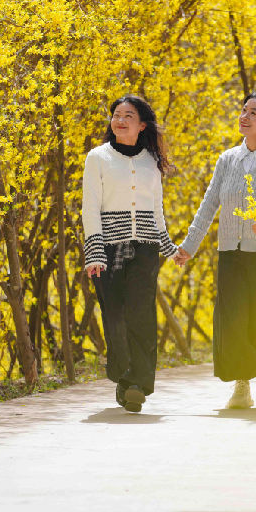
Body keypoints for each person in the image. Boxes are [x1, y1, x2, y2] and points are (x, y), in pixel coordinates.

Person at [176, 90, 256, 409]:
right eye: (243, 110)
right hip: (230, 254)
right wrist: (189, 246)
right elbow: (209, 205)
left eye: (253, 113)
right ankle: (242, 385)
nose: (244, 116)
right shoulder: (228, 160)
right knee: (233, 322)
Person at [82, 95, 181, 412]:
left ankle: (137, 383)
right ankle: (123, 376)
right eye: (116, 115)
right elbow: (90, 208)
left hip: (146, 249)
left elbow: (156, 209)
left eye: (128, 115)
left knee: (141, 314)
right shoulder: (98, 158)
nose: (120, 120)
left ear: (141, 125)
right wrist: (94, 250)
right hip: (109, 249)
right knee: (116, 316)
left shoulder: (150, 160)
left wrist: (169, 247)